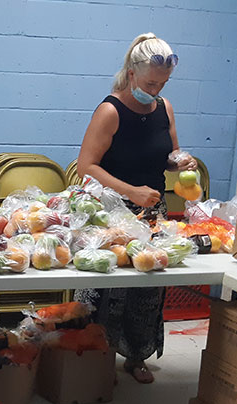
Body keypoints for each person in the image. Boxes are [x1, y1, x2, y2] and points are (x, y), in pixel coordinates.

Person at [74, 33, 195, 384]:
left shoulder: (165, 108)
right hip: (110, 213)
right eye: (150, 83)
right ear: (131, 74)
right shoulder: (110, 111)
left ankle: (138, 354)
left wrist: (180, 161)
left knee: (147, 288)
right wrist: (131, 192)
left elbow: (168, 156)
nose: (156, 90)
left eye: (163, 83)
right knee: (109, 290)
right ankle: (95, 357)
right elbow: (87, 166)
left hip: (151, 210)